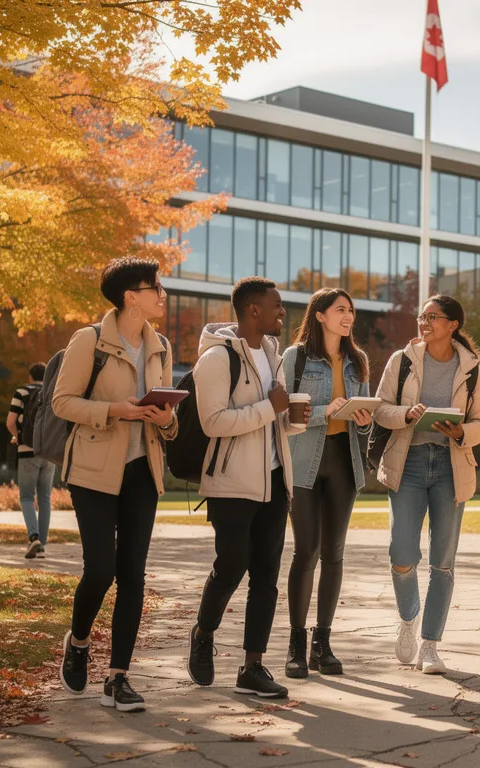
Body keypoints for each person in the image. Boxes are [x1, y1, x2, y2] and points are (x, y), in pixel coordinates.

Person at [53, 257, 179, 714]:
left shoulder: (160, 346)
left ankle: (118, 677)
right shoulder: (89, 340)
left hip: (143, 469)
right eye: (155, 287)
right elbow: (62, 402)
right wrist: (113, 411)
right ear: (131, 296)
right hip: (94, 470)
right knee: (100, 570)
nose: (162, 294)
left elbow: (169, 420)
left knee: (132, 575)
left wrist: (166, 420)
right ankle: (79, 642)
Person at [187, 277, 305, 700]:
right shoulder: (216, 359)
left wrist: (291, 418)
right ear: (253, 310)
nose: (282, 312)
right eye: (276, 305)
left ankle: (252, 667)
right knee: (231, 566)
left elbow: (274, 422)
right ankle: (203, 633)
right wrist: (269, 408)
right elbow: (213, 422)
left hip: (274, 480)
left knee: (266, 577)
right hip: (231, 483)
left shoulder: (272, 354)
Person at [373, 294, 480, 675]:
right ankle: (409, 618)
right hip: (407, 463)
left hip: (450, 466)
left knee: (443, 562)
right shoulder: (402, 361)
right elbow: (380, 409)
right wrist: (407, 414)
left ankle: (430, 645)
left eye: (433, 317)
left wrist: (461, 432)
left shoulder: (472, 370)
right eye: (422, 317)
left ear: (453, 325)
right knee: (401, 554)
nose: (424, 323)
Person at [282, 288, 374, 679]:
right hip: (304, 460)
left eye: (351, 310)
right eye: (340, 310)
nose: (348, 316)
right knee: (307, 551)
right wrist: (325, 411)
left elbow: (365, 415)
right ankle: (296, 644)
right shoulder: (296, 357)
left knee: (334, 552)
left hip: (343, 461)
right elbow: (285, 413)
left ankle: (323, 643)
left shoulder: (358, 361)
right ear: (319, 315)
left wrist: (364, 419)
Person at [9, 363, 54, 559]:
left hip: (27, 450)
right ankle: (41, 546)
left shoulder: (22, 392)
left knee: (27, 497)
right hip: (49, 452)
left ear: (30, 376)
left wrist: (18, 437)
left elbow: (10, 422)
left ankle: (34, 537)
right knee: (45, 498)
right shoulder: (53, 391)